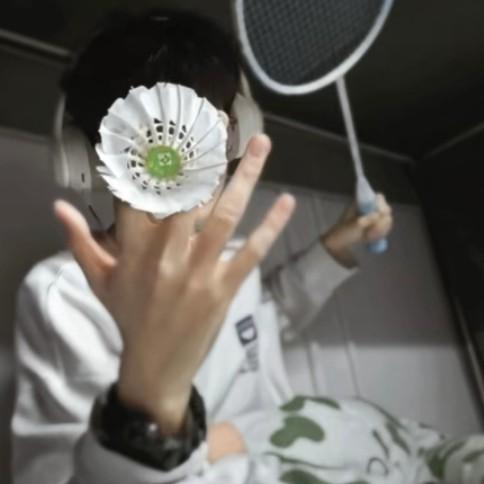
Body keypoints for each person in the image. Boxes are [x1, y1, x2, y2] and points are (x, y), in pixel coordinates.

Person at [11, 8, 395, 484]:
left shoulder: (230, 257)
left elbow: (262, 323)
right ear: (86, 158)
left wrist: (333, 248)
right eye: (149, 136)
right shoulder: (66, 294)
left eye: (202, 133)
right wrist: (149, 406)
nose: (177, 156)